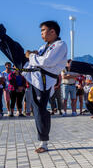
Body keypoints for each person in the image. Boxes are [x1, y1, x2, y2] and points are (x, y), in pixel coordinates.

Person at [0, 21, 68, 153]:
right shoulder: (45, 46)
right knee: (16, 50)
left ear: (52, 31)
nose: (42, 33)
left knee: (40, 110)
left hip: (43, 81)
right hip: (33, 75)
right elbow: (39, 58)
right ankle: (2, 37)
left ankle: (44, 142)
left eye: (43, 30)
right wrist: (33, 54)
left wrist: (31, 56)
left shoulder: (60, 45)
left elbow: (47, 62)